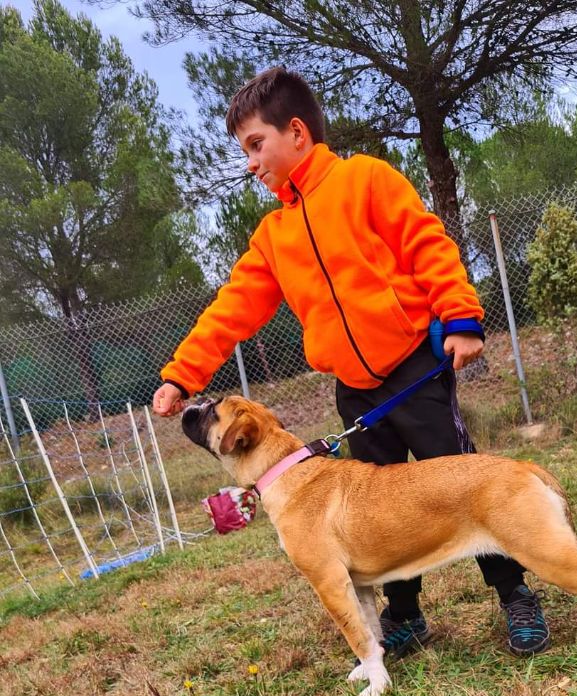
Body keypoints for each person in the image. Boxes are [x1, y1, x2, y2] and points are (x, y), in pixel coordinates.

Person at [153, 66, 550, 657]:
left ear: (296, 133)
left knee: (467, 486)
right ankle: (407, 617)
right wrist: (183, 374)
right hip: (356, 392)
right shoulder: (273, 235)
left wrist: (462, 317)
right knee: (375, 512)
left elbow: (427, 242)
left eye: (256, 145)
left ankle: (515, 594)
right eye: (245, 151)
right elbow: (231, 309)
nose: (251, 163)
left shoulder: (365, 179)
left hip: (415, 371)